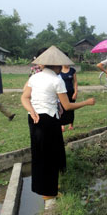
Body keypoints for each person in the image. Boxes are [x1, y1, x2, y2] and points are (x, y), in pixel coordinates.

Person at [20, 46, 95, 200]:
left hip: (34, 120)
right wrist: (86, 103)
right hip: (48, 121)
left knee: (39, 154)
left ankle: (45, 188)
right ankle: (48, 193)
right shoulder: (57, 80)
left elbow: (24, 97)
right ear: (55, 65)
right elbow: (67, 106)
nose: (61, 68)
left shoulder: (34, 77)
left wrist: (32, 111)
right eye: (60, 66)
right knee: (50, 155)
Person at [59, 65, 78, 131]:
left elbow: (75, 82)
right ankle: (62, 125)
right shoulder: (59, 70)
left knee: (71, 108)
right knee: (62, 109)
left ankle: (71, 124)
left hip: (71, 92)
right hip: (62, 93)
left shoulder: (72, 70)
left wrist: (75, 92)